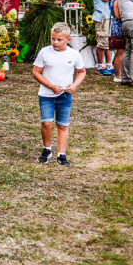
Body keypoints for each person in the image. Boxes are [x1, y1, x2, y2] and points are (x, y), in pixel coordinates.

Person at [32, 22, 86, 166]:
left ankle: (61, 154)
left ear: (68, 40)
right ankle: (47, 149)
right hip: (46, 94)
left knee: (62, 125)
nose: (55, 42)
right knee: (47, 122)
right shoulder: (44, 52)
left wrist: (74, 85)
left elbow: (81, 72)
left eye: (59, 39)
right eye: (53, 39)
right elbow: (36, 72)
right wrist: (50, 86)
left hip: (64, 95)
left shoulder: (74, 54)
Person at [91, 0, 113, 76]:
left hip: (108, 15)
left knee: (109, 41)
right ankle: (100, 66)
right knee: (102, 42)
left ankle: (109, 65)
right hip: (102, 16)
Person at [107, 0, 126, 82]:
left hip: (116, 26)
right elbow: (118, 15)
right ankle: (118, 75)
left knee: (121, 52)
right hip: (118, 26)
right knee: (121, 52)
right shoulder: (117, 0)